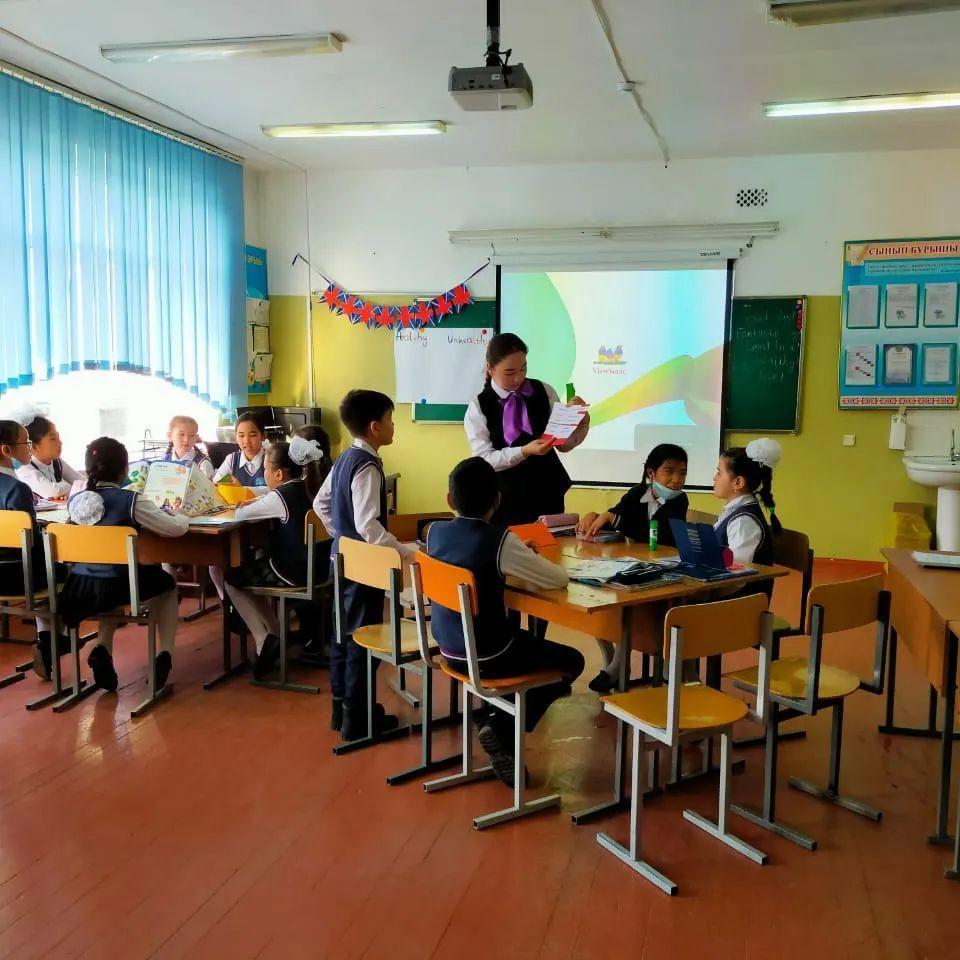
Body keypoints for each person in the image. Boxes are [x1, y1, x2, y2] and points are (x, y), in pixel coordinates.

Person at [426, 457, 585, 786]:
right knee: (572, 661)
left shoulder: (435, 533)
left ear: (449, 500)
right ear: (497, 500)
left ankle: (494, 716)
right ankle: (500, 725)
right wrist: (521, 555)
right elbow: (557, 579)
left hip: (448, 648)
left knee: (530, 646)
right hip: (491, 654)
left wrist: (513, 554)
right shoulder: (499, 539)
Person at [314, 390, 414, 741]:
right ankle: (358, 719)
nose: (393, 426)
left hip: (340, 560)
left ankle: (341, 710)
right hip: (362, 569)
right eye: (390, 419)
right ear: (375, 427)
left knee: (341, 635)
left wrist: (341, 537)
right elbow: (369, 526)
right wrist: (403, 552)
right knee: (362, 637)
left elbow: (321, 503)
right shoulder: (368, 466)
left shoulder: (345, 457)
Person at [59, 437, 189, 692]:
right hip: (120, 585)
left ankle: (102, 648)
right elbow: (175, 529)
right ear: (125, 468)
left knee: (112, 584)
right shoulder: (130, 501)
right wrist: (180, 514)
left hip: (80, 587)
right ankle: (164, 654)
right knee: (167, 587)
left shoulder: (75, 502)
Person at [577, 443, 689, 692]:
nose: (676, 480)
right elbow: (616, 514)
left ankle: (619, 665)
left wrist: (615, 519)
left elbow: (656, 534)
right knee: (600, 600)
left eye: (682, 473)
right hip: (634, 565)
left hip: (662, 573)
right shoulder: (637, 492)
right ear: (651, 473)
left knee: (630, 607)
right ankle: (612, 662)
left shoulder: (679, 501)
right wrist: (596, 515)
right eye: (669, 471)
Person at [223, 437, 329, 679]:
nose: (264, 474)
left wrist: (251, 503)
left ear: (279, 474)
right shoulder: (310, 487)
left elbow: (239, 515)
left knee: (232, 579)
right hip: (320, 569)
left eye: (266, 470)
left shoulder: (280, 496)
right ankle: (276, 633)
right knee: (252, 576)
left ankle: (263, 639)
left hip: (292, 571)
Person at [464, 332, 589, 525]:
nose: (518, 378)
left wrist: (580, 421)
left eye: (523, 369)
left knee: (551, 544)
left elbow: (563, 445)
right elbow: (485, 459)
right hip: (504, 500)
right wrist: (523, 451)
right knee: (511, 544)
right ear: (490, 369)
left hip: (548, 494)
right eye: (510, 373)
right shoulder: (478, 406)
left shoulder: (544, 391)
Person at [0, 420, 65, 679]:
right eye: (25, 442)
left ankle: (49, 642)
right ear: (6, 450)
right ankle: (54, 640)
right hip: (17, 576)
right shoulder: (16, 489)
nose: (30, 447)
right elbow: (31, 545)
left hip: (7, 572)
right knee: (64, 570)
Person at [712, 438, 782, 568]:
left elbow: (737, 570)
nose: (714, 478)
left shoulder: (743, 522)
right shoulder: (735, 511)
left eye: (719, 473)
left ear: (738, 482)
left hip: (740, 581)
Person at [16, 414, 82, 501]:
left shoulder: (57, 461)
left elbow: (82, 482)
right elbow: (53, 491)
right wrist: (71, 487)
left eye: (58, 437)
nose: (60, 442)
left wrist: (67, 490)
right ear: (34, 446)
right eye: (53, 439)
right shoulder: (24, 467)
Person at [212, 414, 268, 491]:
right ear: (236, 437)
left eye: (252, 435)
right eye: (241, 436)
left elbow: (275, 491)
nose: (246, 441)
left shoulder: (271, 459)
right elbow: (216, 485)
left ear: (263, 436)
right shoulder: (232, 460)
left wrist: (240, 489)